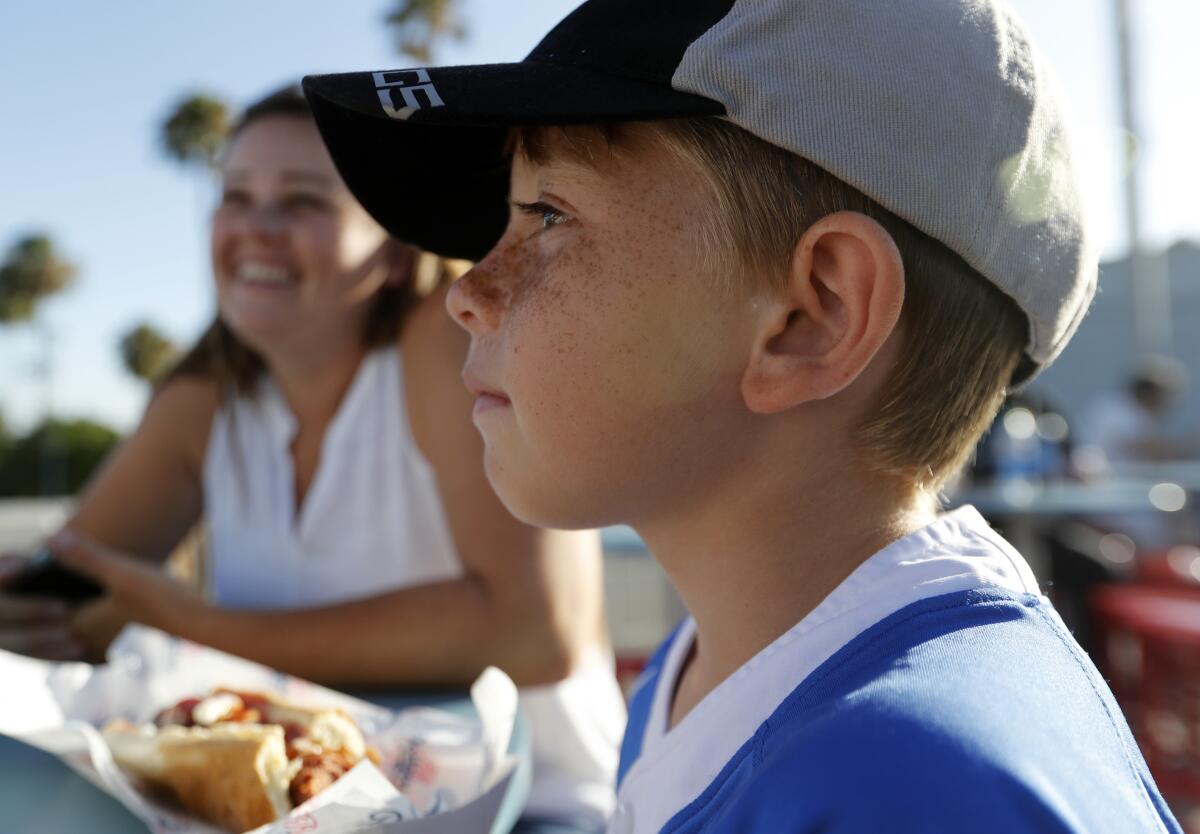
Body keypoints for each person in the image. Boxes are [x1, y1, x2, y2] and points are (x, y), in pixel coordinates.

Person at [299, 1, 1183, 832]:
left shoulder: (918, 784)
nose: (467, 292)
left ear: (810, 316)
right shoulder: (711, 672)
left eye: (547, 215)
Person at [0, 86, 625, 831]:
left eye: (302, 201)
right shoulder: (206, 395)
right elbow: (65, 591)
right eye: (236, 196)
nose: (257, 228)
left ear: (395, 252)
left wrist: (186, 625)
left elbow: (533, 634)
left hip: (535, 808)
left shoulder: (447, 343)